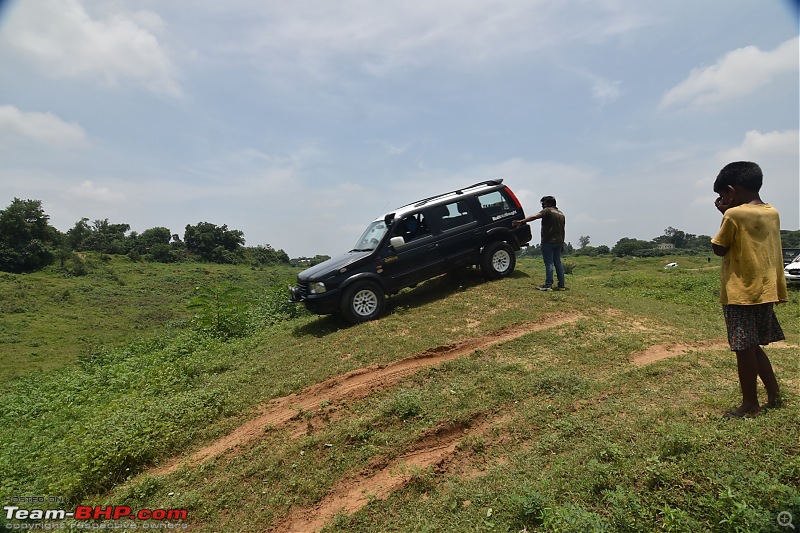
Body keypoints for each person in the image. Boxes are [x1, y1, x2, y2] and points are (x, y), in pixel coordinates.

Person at [710, 161, 787, 418]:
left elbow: (720, 248)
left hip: (741, 292)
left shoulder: (734, 214)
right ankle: (774, 395)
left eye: (722, 195)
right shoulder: (772, 211)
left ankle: (749, 405)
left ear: (732, 191)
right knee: (752, 346)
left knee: (744, 350)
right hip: (766, 289)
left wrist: (724, 213)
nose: (722, 200)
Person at [513, 195, 566, 291]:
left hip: (548, 241)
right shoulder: (561, 214)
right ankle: (561, 285)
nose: (542, 205)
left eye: (543, 203)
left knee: (549, 263)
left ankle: (548, 285)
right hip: (558, 241)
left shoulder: (547, 211)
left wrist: (521, 221)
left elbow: (535, 216)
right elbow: (563, 230)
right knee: (557, 262)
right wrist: (562, 243)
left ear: (549, 204)